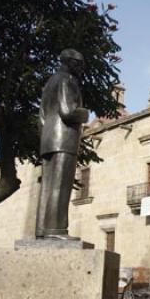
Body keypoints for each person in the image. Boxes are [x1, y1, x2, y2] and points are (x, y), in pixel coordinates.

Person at [35, 49, 89, 240]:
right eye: (80, 64)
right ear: (71, 62)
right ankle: (56, 231)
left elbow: (41, 117)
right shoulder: (67, 80)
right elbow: (68, 111)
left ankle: (42, 230)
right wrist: (85, 113)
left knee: (47, 187)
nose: (81, 69)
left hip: (49, 139)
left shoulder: (50, 82)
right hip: (64, 138)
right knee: (61, 185)